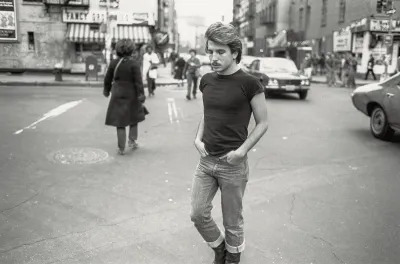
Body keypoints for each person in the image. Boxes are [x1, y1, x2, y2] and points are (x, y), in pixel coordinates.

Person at [190, 22, 268, 264]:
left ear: (234, 52)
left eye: (220, 52)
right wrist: (197, 137)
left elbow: (263, 122)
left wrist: (242, 151)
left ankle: (232, 259)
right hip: (206, 161)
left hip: (232, 165)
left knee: (232, 222)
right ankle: (220, 249)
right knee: (198, 214)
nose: (213, 57)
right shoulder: (206, 81)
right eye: (210, 51)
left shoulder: (250, 83)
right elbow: (208, 113)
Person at [103, 39, 147, 155]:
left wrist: (106, 91)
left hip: (117, 93)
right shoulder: (134, 64)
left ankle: (121, 148)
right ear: (131, 50)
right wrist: (141, 95)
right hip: (131, 94)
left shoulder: (113, 63)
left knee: (120, 122)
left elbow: (107, 79)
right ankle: (132, 141)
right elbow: (138, 82)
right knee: (134, 118)